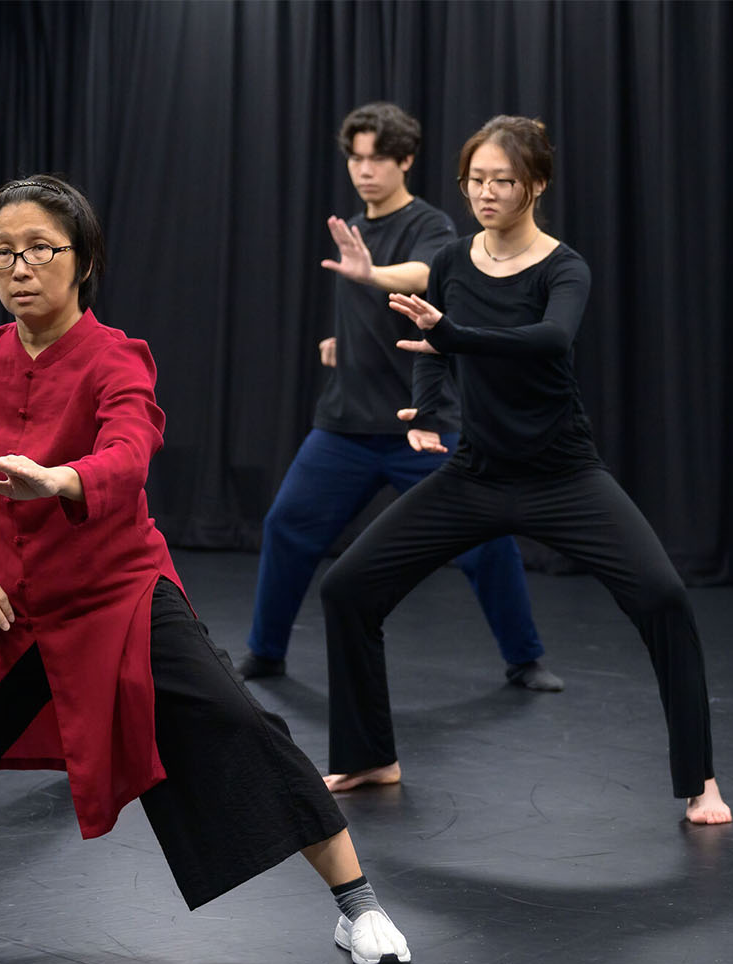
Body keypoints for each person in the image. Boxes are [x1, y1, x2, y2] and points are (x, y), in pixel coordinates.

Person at [0, 176, 412, 964]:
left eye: (39, 250)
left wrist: (62, 480)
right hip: (11, 601)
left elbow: (130, 450)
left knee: (232, 720)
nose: (20, 269)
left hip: (119, 594)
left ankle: (356, 903)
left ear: (83, 258)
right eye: (2, 255)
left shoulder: (114, 357)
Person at [319, 116, 732, 825]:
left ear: (534, 185)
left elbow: (549, 340)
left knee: (664, 599)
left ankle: (702, 783)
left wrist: (452, 334)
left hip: (563, 477)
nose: (485, 192)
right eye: (475, 180)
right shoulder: (452, 260)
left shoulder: (563, 266)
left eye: (501, 181)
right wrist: (427, 406)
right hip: (475, 475)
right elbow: (432, 340)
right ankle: (369, 755)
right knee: (348, 587)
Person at [237, 102, 560, 698]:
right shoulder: (352, 229)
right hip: (344, 427)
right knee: (287, 525)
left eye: (378, 159)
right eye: (356, 159)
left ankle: (525, 659)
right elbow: (369, 309)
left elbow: (424, 272)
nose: (364, 171)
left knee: (487, 539)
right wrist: (343, 339)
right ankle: (265, 650)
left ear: (405, 160)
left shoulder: (429, 224)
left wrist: (371, 275)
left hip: (424, 427)